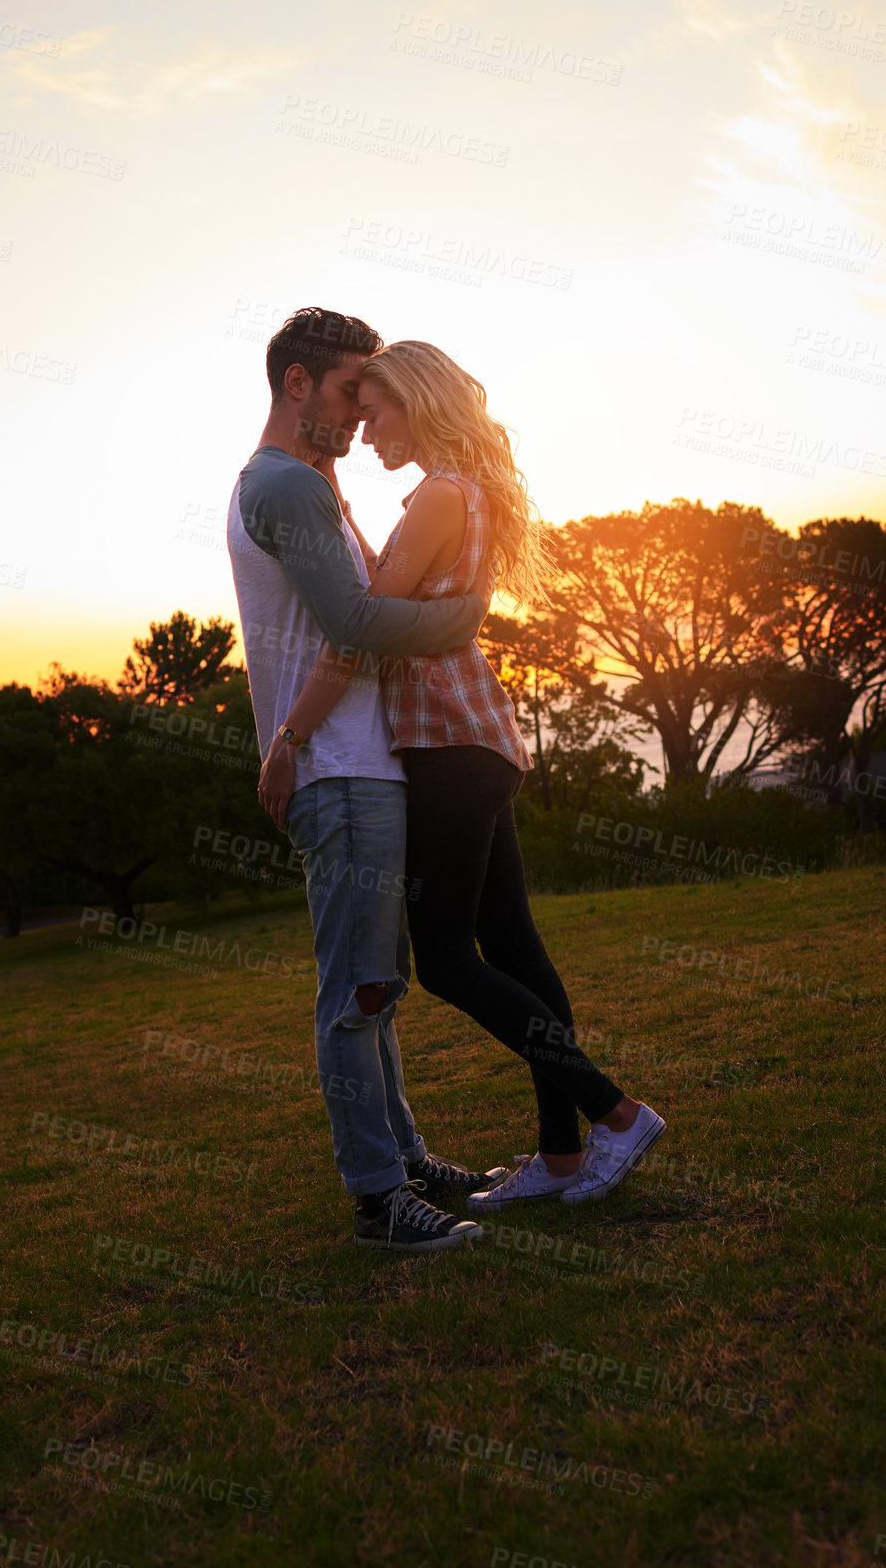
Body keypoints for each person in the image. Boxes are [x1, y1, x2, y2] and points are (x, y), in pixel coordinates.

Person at [258, 340, 665, 1209]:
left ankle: (615, 1113)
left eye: (377, 414)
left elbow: (358, 629)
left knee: (444, 960)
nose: (366, 433)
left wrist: (289, 735)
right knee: (515, 948)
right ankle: (562, 1156)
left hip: (446, 745)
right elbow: (398, 598)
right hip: (476, 735)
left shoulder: (442, 496)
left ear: (418, 403)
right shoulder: (458, 493)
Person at [228, 308, 507, 1253]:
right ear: (297, 384)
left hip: (358, 762)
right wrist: (462, 616)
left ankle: (407, 1158)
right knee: (357, 992)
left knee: (378, 985)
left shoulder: (311, 484)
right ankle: (379, 1200)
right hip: (339, 770)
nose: (362, 409)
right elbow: (352, 619)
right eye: (351, 388)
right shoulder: (285, 487)